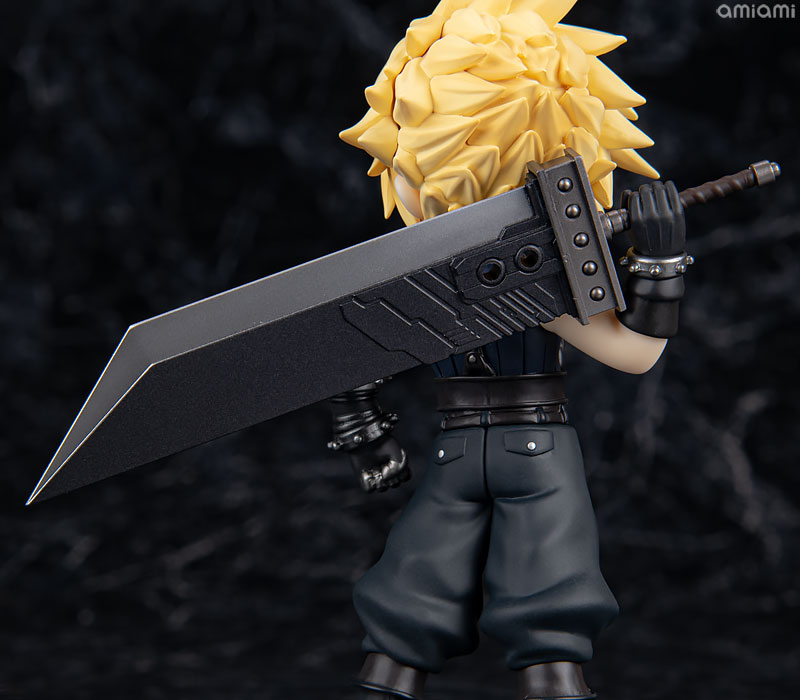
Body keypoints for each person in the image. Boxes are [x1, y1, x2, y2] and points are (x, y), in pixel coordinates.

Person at [332, 2, 688, 698]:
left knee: (543, 622)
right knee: (407, 613)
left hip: (516, 451)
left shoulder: (541, 280)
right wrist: (363, 431)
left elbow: (634, 356)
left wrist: (661, 265)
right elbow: (357, 349)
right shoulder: (417, 273)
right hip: (490, 453)